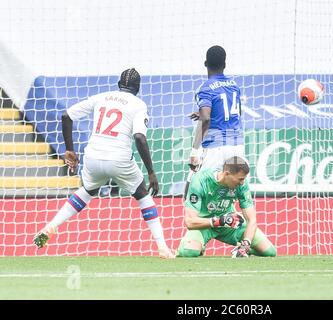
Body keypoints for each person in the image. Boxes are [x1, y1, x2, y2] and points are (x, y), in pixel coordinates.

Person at [33, 68, 176, 259]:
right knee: (142, 194)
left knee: (87, 191)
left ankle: (52, 226)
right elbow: (140, 137)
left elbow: (66, 116)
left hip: (93, 156)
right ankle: (163, 247)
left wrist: (70, 150)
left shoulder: (102, 97)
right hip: (119, 158)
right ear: (138, 88)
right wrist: (151, 172)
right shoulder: (138, 105)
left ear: (118, 85)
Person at [177, 156, 276, 258]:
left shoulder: (242, 185)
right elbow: (189, 221)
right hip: (204, 226)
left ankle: (240, 249)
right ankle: (195, 247)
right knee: (189, 252)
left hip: (229, 225)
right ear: (226, 174)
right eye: (240, 179)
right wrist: (218, 221)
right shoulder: (200, 180)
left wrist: (245, 244)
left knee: (270, 252)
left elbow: (252, 219)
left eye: (244, 179)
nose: (242, 182)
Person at [184, 45, 245, 199]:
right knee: (230, 193)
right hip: (237, 144)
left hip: (215, 147)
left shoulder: (205, 88)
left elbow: (206, 119)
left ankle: (195, 221)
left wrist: (195, 152)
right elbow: (236, 113)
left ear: (205, 64)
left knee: (197, 188)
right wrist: (206, 113)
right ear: (225, 65)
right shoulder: (235, 86)